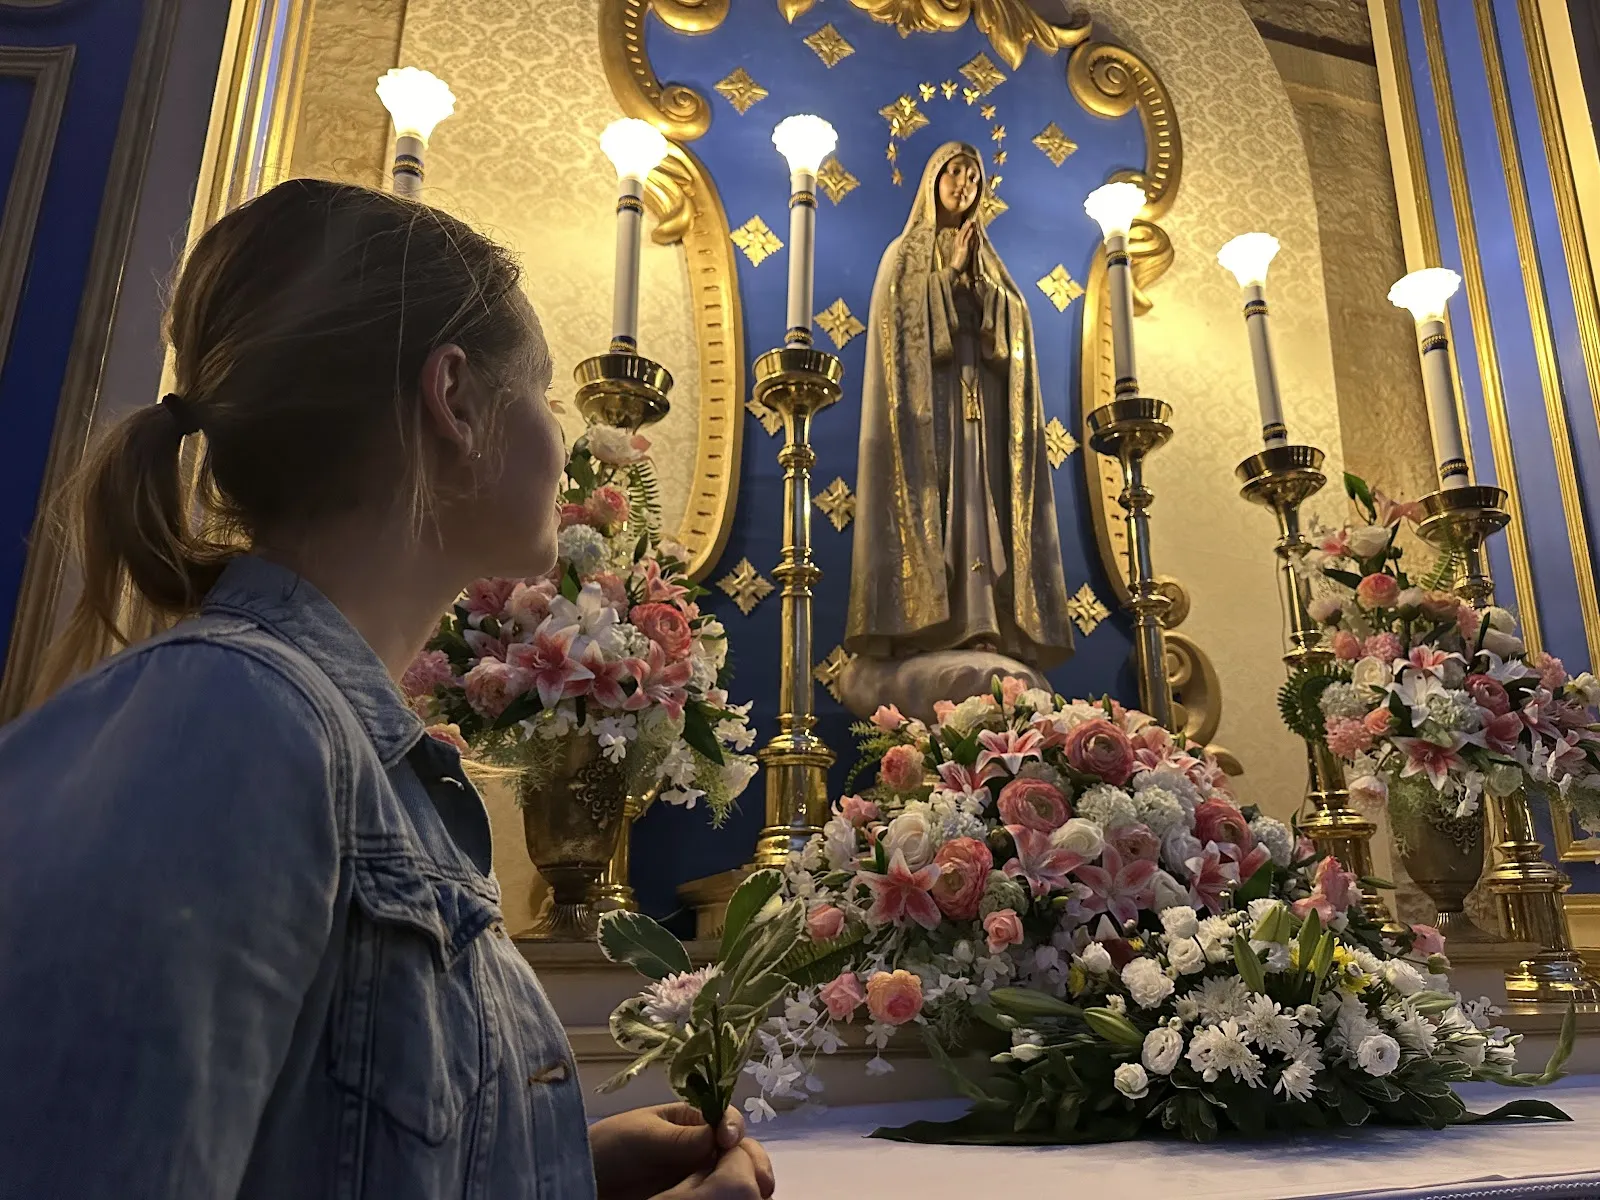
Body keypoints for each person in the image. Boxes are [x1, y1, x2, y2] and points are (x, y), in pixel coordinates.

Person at [0, 178, 774, 1199]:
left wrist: (552, 1174)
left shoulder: (330, 743)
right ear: (452, 397)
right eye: (540, 392)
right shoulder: (232, 722)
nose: (559, 438)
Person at [845, 141, 1073, 670]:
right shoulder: (903, 254)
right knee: (942, 497)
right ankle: (925, 622)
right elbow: (897, 326)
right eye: (955, 174)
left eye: (974, 179)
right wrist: (946, 277)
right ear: (933, 179)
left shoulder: (990, 257)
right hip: (927, 412)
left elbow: (1015, 321)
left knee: (980, 493)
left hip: (981, 401)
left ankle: (982, 618)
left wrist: (983, 290)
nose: (964, 186)